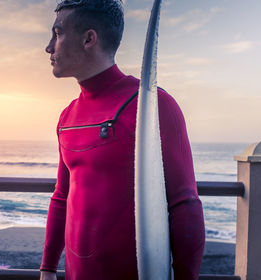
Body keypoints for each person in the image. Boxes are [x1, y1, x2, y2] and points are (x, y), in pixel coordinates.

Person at [40, 1, 205, 280]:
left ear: (89, 39)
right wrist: (47, 268)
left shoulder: (152, 106)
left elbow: (184, 203)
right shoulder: (67, 116)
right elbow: (62, 197)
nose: (48, 47)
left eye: (57, 33)